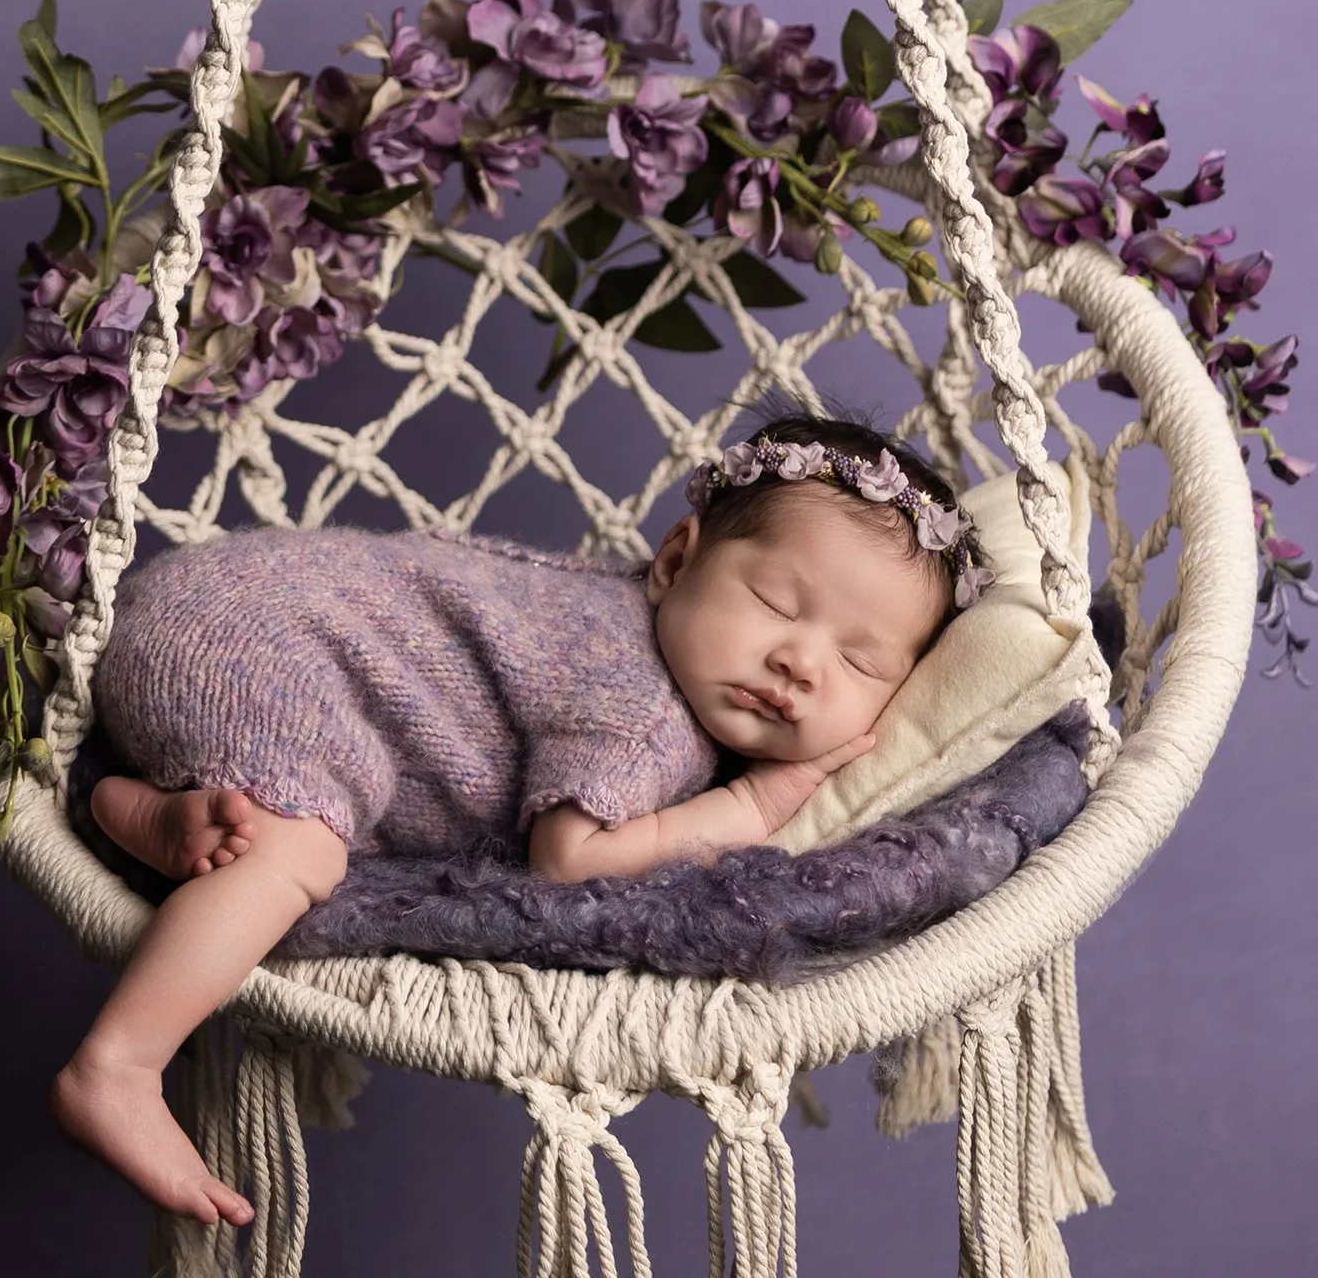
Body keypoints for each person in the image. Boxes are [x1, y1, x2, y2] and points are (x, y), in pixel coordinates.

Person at [50, 414, 988, 1226]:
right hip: (260, 649)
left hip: (196, 610)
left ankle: (153, 812)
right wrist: (748, 805)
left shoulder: (602, 613)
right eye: (777, 603)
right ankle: (119, 1067)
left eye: (861, 665)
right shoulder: (643, 710)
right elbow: (571, 861)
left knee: (259, 820)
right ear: (674, 561)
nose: (800, 663)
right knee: (297, 853)